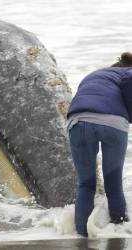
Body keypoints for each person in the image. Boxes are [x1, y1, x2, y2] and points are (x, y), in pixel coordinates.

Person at [67, 52, 132, 237]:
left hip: (78, 121)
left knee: (86, 185)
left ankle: (81, 237)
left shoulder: (94, 75)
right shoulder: (127, 72)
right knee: (114, 185)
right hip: (113, 124)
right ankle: (120, 233)